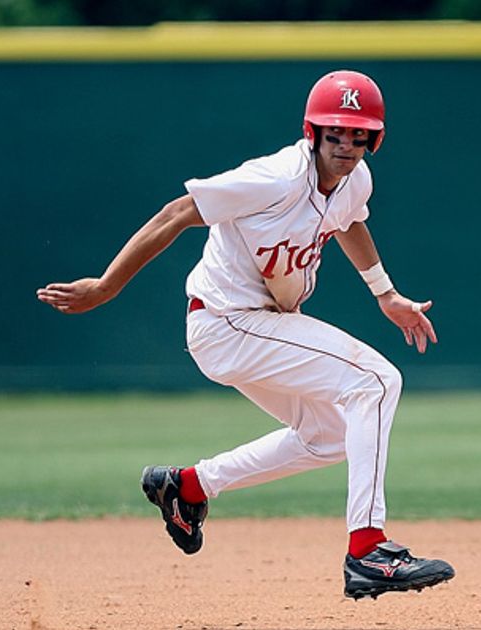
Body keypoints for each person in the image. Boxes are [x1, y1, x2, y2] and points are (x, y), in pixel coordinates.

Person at [36, 69, 454, 600]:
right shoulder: (275, 177)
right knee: (376, 381)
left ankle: (188, 487)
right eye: (335, 132)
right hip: (227, 321)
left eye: (357, 133)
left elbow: (349, 220)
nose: (346, 144)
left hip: (260, 324)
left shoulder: (356, 180)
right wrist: (107, 285)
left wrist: (385, 293)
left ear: (374, 138)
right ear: (313, 132)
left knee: (329, 437)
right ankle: (367, 550)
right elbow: (178, 212)